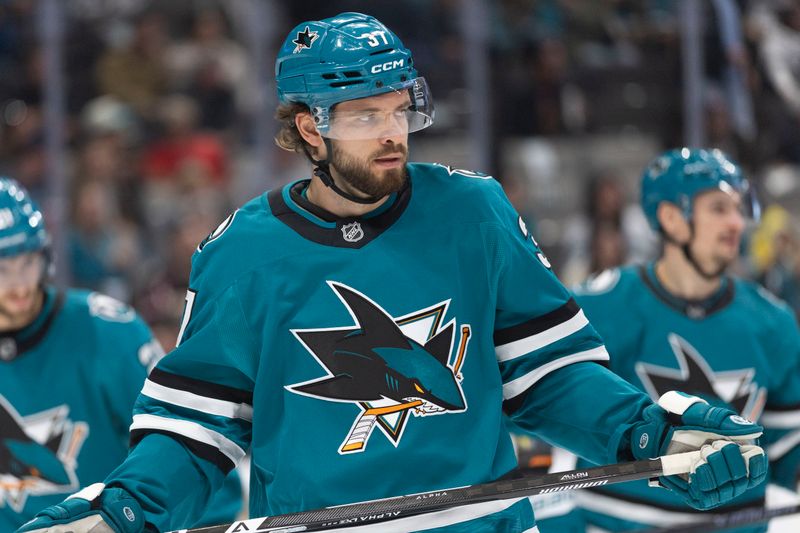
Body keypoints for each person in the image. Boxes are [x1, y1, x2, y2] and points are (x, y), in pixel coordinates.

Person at [19, 14, 768, 533]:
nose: (389, 133)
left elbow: (551, 375)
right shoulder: (244, 253)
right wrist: (126, 505)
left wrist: (645, 430)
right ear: (309, 127)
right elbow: (197, 429)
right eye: (362, 116)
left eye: (398, 108)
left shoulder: (473, 212)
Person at [569, 148, 800, 532]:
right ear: (672, 218)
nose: (736, 222)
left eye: (738, 208)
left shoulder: (772, 321)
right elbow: (556, 422)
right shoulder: (602, 306)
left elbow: (787, 447)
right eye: (718, 208)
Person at [0, 177, 242, 531]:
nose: (20, 285)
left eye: (26, 263)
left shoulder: (107, 332)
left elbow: (193, 449)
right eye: (2, 270)